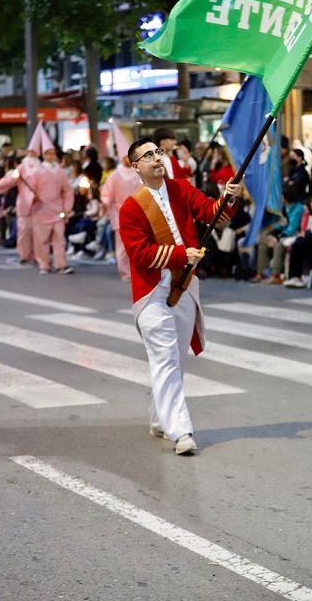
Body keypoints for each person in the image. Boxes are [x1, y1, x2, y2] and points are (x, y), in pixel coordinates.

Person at [119, 137, 241, 455]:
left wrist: (228, 198)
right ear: (136, 166)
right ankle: (181, 431)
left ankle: (161, 418)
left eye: (158, 152)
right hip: (151, 293)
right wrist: (180, 255)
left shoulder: (181, 189)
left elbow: (211, 213)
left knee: (176, 360)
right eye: (148, 155)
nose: (157, 158)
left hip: (184, 286)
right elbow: (140, 253)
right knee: (165, 358)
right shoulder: (131, 207)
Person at [0, 124, 42, 263]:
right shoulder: (22, 168)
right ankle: (25, 255)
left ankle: (40, 257)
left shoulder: (45, 168)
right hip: (25, 203)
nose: (32, 154)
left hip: (41, 203)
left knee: (39, 232)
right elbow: (9, 180)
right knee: (24, 230)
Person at [29, 127, 75, 275]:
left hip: (57, 209)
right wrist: (32, 199)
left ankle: (61, 264)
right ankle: (44, 264)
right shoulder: (36, 172)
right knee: (41, 240)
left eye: (53, 153)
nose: (51, 156)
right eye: (48, 153)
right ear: (43, 155)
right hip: (41, 210)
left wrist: (67, 207)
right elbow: (29, 191)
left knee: (59, 239)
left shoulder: (60, 171)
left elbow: (67, 190)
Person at [100, 155, 140, 280]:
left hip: (138, 214)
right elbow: (106, 194)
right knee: (122, 246)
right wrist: (106, 204)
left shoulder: (138, 173)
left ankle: (137, 272)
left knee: (138, 244)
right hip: (119, 214)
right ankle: (125, 272)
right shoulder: (115, 175)